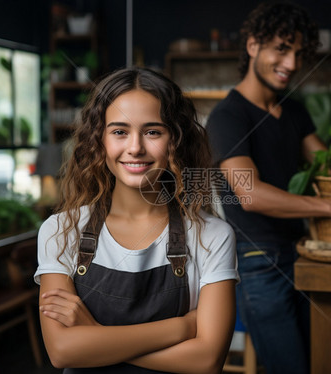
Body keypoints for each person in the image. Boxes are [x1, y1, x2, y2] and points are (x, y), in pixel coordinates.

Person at [205, 2, 331, 373]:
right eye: (281, 48)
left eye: (298, 53)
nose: (291, 63)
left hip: (304, 253)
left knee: (329, 359)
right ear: (253, 45)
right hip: (258, 262)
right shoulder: (228, 116)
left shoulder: (294, 111)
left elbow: (328, 166)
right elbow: (250, 194)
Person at [34, 67, 238, 373]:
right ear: (99, 141)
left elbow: (207, 360)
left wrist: (95, 337)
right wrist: (182, 329)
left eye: (153, 131)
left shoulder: (212, 236)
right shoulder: (61, 230)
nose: (135, 148)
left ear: (175, 141)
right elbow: (62, 351)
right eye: (119, 131)